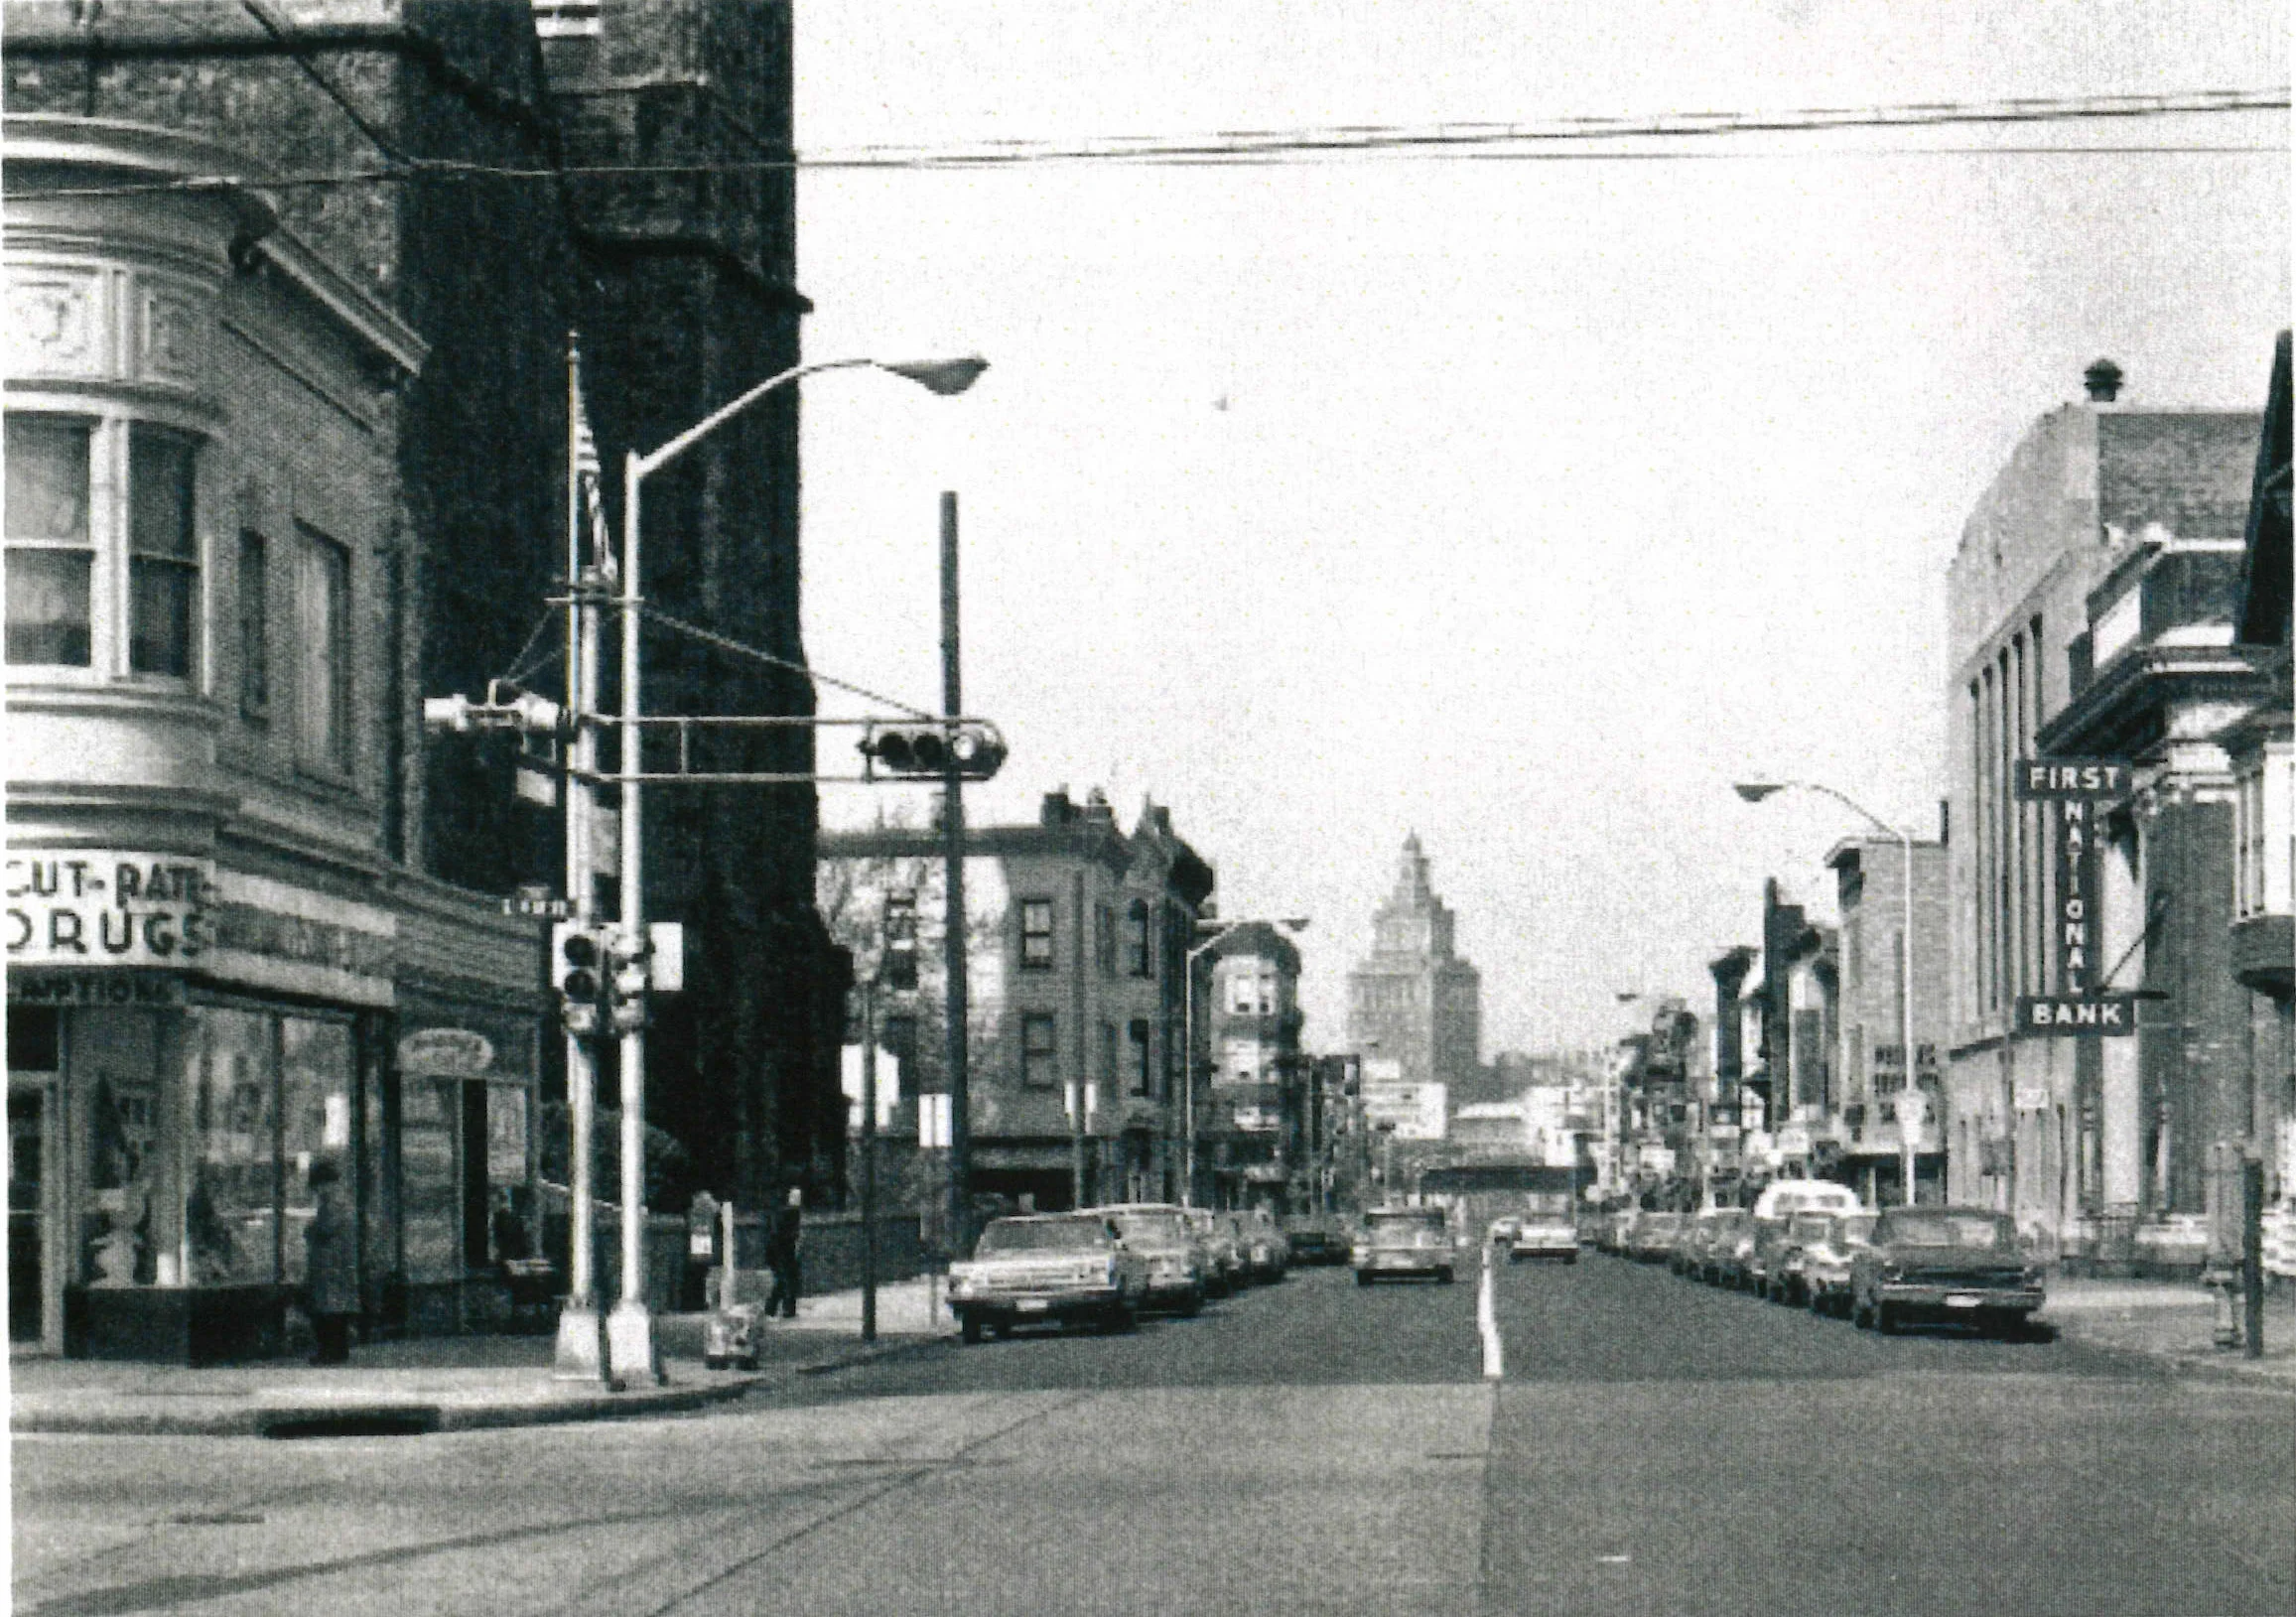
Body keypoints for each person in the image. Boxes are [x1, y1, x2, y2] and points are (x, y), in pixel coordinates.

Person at [304, 1161, 358, 1364]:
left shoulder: (334, 1204)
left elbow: (326, 1229)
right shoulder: (338, 1202)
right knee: (335, 1310)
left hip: (331, 1264)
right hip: (336, 1264)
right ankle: (337, 1350)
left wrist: (310, 1229)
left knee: (329, 1311)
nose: (317, 1191)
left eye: (318, 1186)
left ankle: (330, 1351)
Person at [764, 1189, 802, 1319]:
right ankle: (782, 1309)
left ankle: (776, 1309)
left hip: (778, 1250)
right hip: (784, 1250)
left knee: (784, 1280)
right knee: (787, 1280)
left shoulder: (779, 1212)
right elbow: (789, 1234)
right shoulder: (792, 1213)